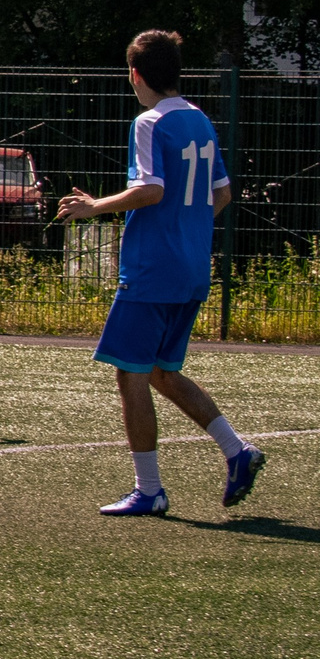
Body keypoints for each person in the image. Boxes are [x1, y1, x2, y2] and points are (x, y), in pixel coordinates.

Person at [57, 29, 265, 515]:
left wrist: (92, 207)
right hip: (191, 267)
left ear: (135, 73)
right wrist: (185, 229)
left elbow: (149, 189)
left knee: (130, 374)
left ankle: (149, 490)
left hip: (153, 270)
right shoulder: (199, 119)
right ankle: (239, 452)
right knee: (161, 371)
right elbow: (222, 194)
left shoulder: (149, 122)